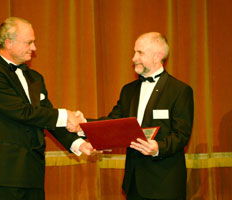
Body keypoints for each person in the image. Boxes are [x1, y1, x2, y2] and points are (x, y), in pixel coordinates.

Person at [0, 17, 94, 200]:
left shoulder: (35, 78)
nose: (34, 48)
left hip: (34, 172)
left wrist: (78, 143)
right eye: (29, 42)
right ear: (9, 42)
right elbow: (22, 112)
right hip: (6, 173)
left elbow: (46, 116)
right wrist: (66, 114)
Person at [83, 32, 194, 199]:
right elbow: (113, 122)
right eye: (134, 52)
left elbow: (182, 134)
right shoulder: (129, 90)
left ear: (158, 56)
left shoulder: (179, 91)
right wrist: (82, 124)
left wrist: (158, 148)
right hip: (134, 183)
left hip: (165, 183)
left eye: (140, 53)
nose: (134, 58)